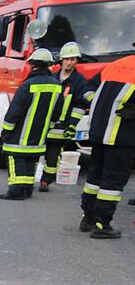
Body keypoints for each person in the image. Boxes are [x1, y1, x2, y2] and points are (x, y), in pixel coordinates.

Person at [79, 54, 135, 238]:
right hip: (122, 135)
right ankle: (102, 225)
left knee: (95, 176)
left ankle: (88, 218)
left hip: (99, 130)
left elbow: (86, 88)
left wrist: (100, 103)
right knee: (113, 181)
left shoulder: (116, 65)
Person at [0, 48, 63, 200]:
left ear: (33, 64)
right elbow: (58, 111)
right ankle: (27, 190)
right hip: (39, 136)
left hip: (19, 135)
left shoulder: (28, 85)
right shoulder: (57, 86)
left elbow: (14, 111)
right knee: (31, 161)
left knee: (16, 159)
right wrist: (50, 127)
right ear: (49, 65)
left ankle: (15, 192)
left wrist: (6, 131)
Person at [40, 42, 89, 191]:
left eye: (73, 59)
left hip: (63, 125)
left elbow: (80, 106)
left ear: (77, 61)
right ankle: (30, 178)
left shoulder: (79, 81)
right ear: (61, 60)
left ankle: (46, 181)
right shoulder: (52, 77)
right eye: (67, 59)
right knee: (35, 151)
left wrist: (72, 125)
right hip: (45, 122)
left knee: (53, 154)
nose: (69, 62)